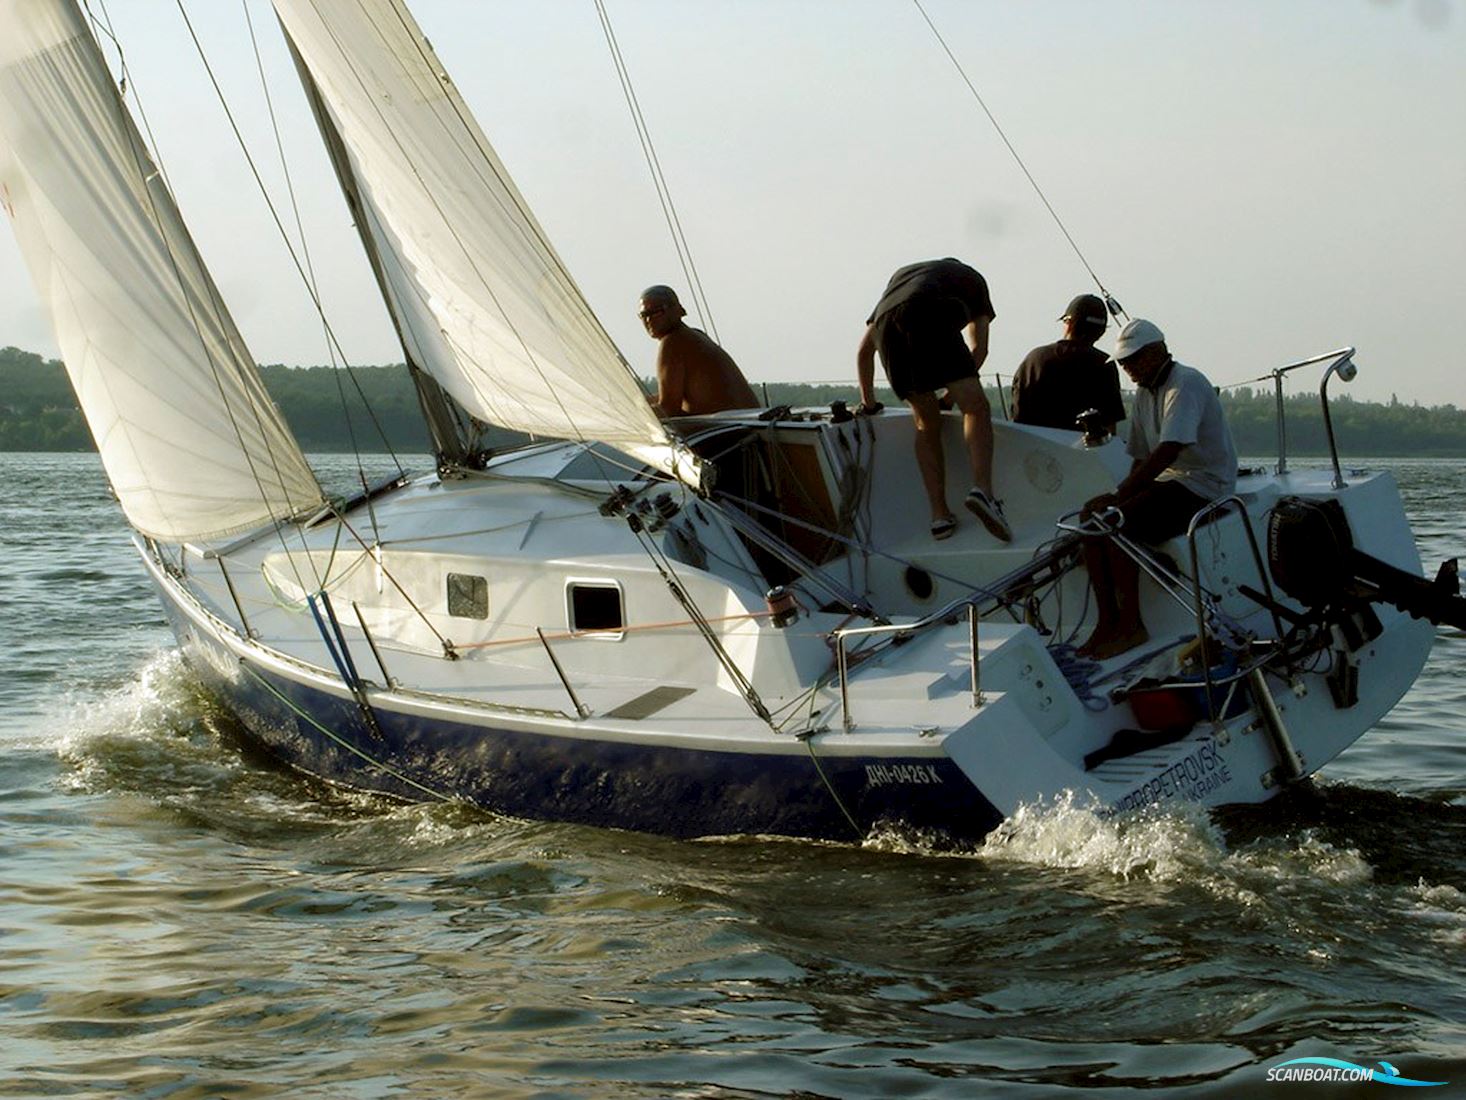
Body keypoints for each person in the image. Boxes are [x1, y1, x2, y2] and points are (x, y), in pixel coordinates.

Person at [1078, 319, 1238, 659]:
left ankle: (1132, 625)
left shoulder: (1186, 384)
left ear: (1157, 352)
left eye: (1133, 359)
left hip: (1204, 484)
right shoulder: (1144, 392)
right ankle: (1107, 621)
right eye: (1123, 362)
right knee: (1091, 519)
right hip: (1173, 481)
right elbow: (1140, 455)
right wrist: (1119, 496)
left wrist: (1121, 499)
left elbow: (1169, 450)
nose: (1127, 368)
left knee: (1118, 521)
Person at [856, 258, 1011, 542]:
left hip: (887, 330)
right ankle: (984, 492)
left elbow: (865, 351)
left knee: (926, 422)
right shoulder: (973, 281)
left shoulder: (899, 278)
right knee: (975, 408)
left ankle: (939, 516)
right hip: (930, 312)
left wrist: (868, 403)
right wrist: (952, 397)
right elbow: (980, 348)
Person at [1011, 293, 1125, 434]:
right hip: (1082, 453)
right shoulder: (1105, 364)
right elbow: (1109, 428)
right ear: (1101, 331)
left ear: (1069, 323)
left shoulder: (1034, 359)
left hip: (1034, 449)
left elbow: (1017, 418)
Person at [640, 285, 758, 417]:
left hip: (725, 430)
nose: (649, 319)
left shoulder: (673, 342)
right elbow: (671, 396)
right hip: (750, 423)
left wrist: (628, 416)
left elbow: (668, 409)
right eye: (644, 315)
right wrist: (635, 403)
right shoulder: (696, 335)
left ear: (679, 311)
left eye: (657, 312)